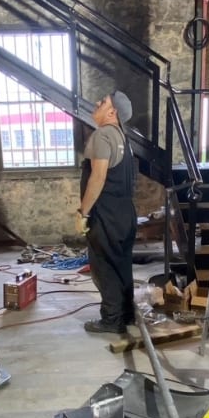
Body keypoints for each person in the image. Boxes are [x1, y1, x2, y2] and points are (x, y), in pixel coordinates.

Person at [76, 90, 137, 334]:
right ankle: (127, 315)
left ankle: (112, 320)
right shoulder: (124, 138)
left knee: (103, 265)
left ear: (112, 112)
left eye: (103, 103)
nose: (97, 104)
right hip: (125, 213)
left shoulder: (103, 136)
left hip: (106, 214)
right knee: (121, 264)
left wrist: (83, 213)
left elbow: (98, 177)